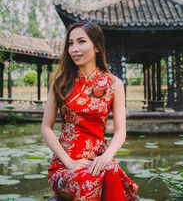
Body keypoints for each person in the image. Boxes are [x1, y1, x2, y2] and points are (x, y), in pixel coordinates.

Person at [41, 22, 138, 201]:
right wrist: (69, 162)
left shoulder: (114, 84)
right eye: (71, 43)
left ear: (97, 47)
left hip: (98, 159)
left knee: (113, 171)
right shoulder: (60, 82)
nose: (74, 49)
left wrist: (106, 157)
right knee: (89, 180)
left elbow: (120, 131)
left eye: (81, 42)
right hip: (65, 164)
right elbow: (46, 128)